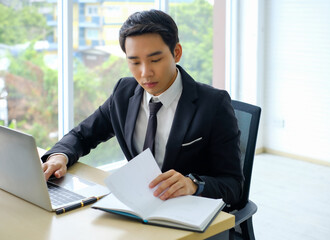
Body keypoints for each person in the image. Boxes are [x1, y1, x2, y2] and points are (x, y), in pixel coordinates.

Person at [41, 9, 243, 208]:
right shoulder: (123, 92)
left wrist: (194, 185)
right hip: (137, 207)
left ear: (177, 53)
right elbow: (83, 135)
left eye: (155, 60)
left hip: (186, 214)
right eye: (135, 62)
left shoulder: (213, 104)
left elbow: (233, 186)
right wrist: (60, 156)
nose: (145, 73)